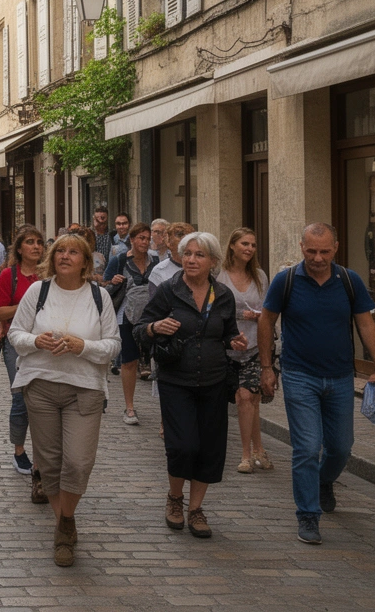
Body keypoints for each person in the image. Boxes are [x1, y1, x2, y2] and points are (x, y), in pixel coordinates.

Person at [258, 222, 375, 546]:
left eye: (324, 251)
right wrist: (266, 367)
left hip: (340, 377)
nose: (318, 258)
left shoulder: (349, 281)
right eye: (311, 251)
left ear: (335, 248)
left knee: (341, 447)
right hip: (298, 375)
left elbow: (365, 323)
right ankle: (307, 514)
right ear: (301, 247)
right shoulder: (286, 280)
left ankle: (322, 481)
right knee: (306, 447)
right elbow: (266, 320)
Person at [6, 233, 120, 567]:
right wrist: (36, 340)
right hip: (40, 386)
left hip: (85, 388)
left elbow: (113, 344)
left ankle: (65, 519)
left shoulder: (99, 297)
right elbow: (15, 334)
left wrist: (82, 346)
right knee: (51, 463)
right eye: (60, 252)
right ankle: (64, 524)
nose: (65, 257)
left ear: (86, 262)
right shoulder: (37, 291)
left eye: (73, 252)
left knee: (79, 462)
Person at [135, 231, 247, 540]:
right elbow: (140, 330)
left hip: (213, 379)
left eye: (199, 255)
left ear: (213, 261)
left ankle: (196, 509)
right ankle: (175, 498)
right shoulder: (169, 292)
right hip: (176, 379)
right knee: (183, 445)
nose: (192, 260)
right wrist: (155, 327)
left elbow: (227, 332)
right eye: (188, 254)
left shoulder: (222, 294)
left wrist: (234, 341)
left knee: (210, 448)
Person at [0, 226, 46, 499]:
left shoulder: (49, 275)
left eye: (39, 242)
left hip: (46, 342)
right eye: (30, 242)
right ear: (19, 248)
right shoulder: (8, 276)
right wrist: (28, 302)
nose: (36, 247)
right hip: (15, 341)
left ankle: (44, 454)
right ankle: (19, 451)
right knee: (20, 396)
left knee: (42, 397)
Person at [216, 228, 273, 474]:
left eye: (253, 245)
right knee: (246, 401)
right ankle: (259, 450)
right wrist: (242, 315)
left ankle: (246, 455)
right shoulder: (220, 276)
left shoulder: (260, 276)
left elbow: (269, 312)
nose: (249, 249)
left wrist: (260, 317)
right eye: (244, 244)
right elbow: (216, 310)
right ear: (232, 246)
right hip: (227, 347)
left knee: (247, 398)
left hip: (254, 346)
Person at [103, 223, 154, 425]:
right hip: (126, 316)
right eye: (141, 238)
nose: (145, 242)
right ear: (131, 239)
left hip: (151, 317)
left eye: (147, 238)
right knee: (129, 361)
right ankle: (129, 407)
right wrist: (112, 280)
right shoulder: (120, 259)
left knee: (156, 361)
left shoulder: (155, 261)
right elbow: (104, 283)